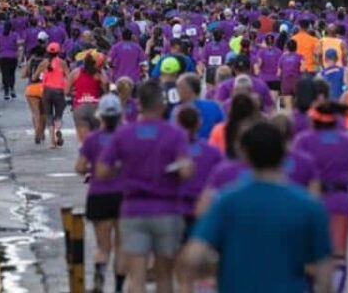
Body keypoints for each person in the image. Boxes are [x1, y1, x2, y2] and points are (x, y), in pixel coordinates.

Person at [185, 121, 333, 293]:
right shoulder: (310, 206)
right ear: (285, 153)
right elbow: (325, 274)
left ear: (245, 154)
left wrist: (222, 267)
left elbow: (193, 257)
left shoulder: (227, 202)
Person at [97, 80, 193, 293]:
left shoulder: (125, 133)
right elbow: (187, 172)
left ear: (139, 104)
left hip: (133, 210)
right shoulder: (175, 133)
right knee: (164, 276)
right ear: (162, 105)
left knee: (137, 276)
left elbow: (102, 171)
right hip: (167, 210)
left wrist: (123, 169)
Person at [293, 101, 348, 293]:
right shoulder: (347, 140)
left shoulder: (303, 140)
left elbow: (295, 171)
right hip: (339, 201)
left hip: (309, 202)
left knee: (307, 253)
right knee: (338, 255)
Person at [75, 94, 126, 293]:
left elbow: (80, 167)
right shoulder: (126, 136)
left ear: (101, 116)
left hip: (99, 194)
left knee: (103, 246)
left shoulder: (92, 139)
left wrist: (93, 169)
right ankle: (120, 287)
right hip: (124, 196)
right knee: (121, 246)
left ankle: (99, 279)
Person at [173, 106, 224, 293]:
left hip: (178, 210)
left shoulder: (172, 150)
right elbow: (221, 181)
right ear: (199, 124)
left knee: (182, 270)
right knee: (207, 266)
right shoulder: (212, 151)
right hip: (206, 213)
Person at [67, 53, 109, 142]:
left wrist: (75, 93)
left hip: (79, 107)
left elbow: (66, 91)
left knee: (85, 142)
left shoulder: (75, 72)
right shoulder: (99, 74)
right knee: (96, 139)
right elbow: (107, 89)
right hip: (95, 107)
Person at [35, 42, 69, 149]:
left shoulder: (43, 63)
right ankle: (58, 131)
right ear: (58, 52)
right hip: (59, 91)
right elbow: (68, 76)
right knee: (58, 116)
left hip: (47, 91)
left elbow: (34, 77)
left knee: (49, 116)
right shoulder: (62, 63)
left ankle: (52, 142)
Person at [172, 73, 224, 140]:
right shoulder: (215, 106)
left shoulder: (179, 111)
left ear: (188, 89)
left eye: (179, 87)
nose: (177, 91)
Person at [23, 44, 46, 144]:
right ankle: (42, 131)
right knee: (44, 113)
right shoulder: (46, 63)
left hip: (31, 89)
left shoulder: (30, 62)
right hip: (44, 89)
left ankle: (37, 130)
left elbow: (23, 75)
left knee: (35, 113)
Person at [0, 21, 21, 99]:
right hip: (13, 57)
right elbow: (18, 44)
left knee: (4, 74)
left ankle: (6, 92)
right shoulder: (15, 35)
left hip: (2, 57)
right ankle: (12, 89)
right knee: (12, 74)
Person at [254, 34, 282, 98]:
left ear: (265, 42)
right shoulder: (279, 52)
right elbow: (280, 66)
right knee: (273, 103)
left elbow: (259, 64)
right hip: (275, 79)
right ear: (274, 41)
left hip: (263, 79)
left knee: (263, 103)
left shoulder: (261, 52)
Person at [278, 39, 303, 110]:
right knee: (297, 108)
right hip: (297, 82)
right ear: (296, 47)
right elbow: (303, 70)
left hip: (286, 83)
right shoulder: (300, 57)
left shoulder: (282, 57)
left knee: (288, 108)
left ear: (287, 48)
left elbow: (279, 73)